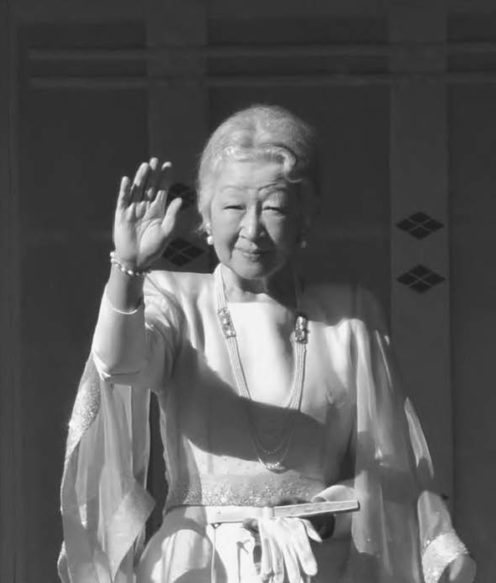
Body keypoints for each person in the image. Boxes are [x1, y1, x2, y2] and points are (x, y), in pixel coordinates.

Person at [58, 105, 474, 583]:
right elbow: (119, 365)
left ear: (305, 220)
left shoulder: (350, 317)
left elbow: (393, 470)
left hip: (315, 563)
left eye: (273, 208)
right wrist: (127, 270)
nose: (252, 230)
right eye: (234, 207)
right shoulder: (172, 299)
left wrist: (327, 513)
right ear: (207, 218)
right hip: (198, 563)